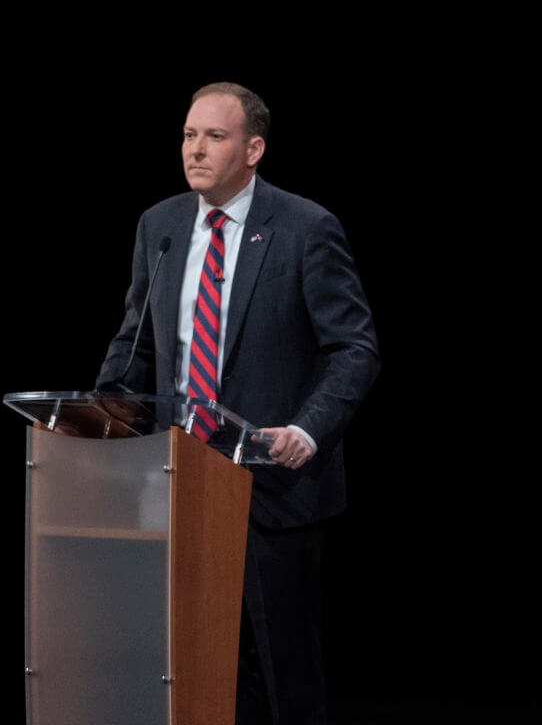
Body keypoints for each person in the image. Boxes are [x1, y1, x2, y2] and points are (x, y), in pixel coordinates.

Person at [96, 82, 381, 724]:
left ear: (253, 148)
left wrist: (307, 432)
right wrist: (102, 411)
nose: (195, 150)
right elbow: (136, 341)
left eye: (214, 137)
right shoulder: (160, 226)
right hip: (175, 482)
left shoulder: (307, 228)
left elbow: (355, 349)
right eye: (189, 135)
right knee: (191, 667)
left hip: (272, 487)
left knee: (281, 674)